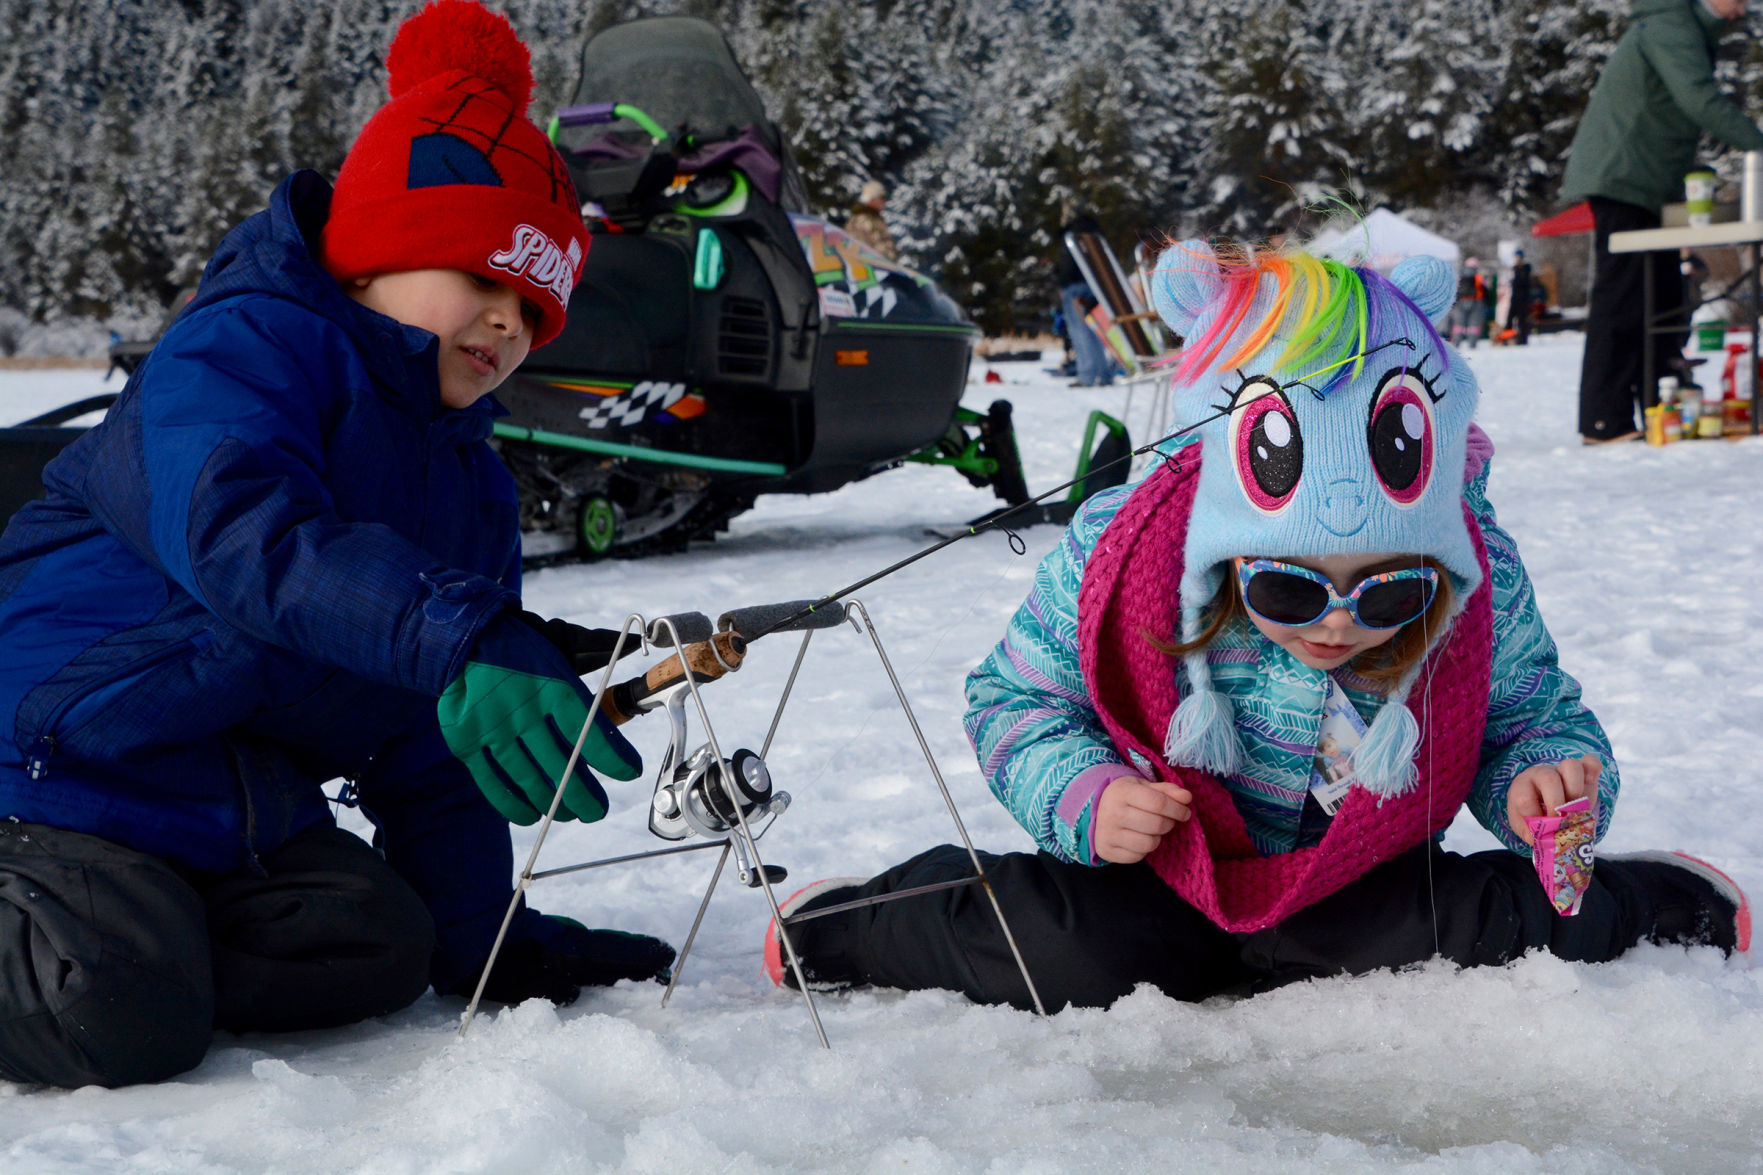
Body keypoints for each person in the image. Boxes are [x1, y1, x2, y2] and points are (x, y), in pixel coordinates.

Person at [762, 243, 1750, 1012]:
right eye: (1285, 591)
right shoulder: (1129, 553)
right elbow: (1013, 697)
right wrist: (1082, 791)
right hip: (1159, 880)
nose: (1334, 624)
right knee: (1051, 945)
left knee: (1494, 923)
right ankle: (847, 922)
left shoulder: (1471, 566)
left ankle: (1654, 898)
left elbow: (1530, 719)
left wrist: (1544, 787)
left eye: (1385, 595)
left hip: (1356, 880)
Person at [0, 0, 675, 1090]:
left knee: (382, 941)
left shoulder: (466, 479)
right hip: (49, 766)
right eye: (480, 277)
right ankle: (116, 955)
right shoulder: (242, 349)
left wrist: (485, 938)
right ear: (371, 256)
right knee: (112, 1008)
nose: (507, 321)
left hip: (221, 807)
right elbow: (244, 534)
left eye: (532, 304)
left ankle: (149, 938)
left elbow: (427, 736)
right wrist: (460, 631)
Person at [1561, 0, 1763, 444]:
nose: (1745, 8)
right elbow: (1698, 99)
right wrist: (1757, 144)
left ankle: (1661, 407)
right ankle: (1604, 420)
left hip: (1652, 184)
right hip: (1623, 177)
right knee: (1624, 295)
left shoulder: (1687, 27)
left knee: (1664, 296)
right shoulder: (1671, 24)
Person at [1055, 203, 1117, 387]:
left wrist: (1061, 283)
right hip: (1094, 285)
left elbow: (1067, 265)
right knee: (1094, 330)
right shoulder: (1094, 233)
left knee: (1079, 331)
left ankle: (1087, 375)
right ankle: (1102, 374)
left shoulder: (1072, 235)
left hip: (1074, 286)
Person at [843, 180, 900, 263]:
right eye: (881, 198)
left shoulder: (874, 219)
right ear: (872, 199)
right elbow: (865, 247)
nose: (883, 202)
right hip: (871, 268)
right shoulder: (862, 220)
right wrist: (889, 256)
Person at [1507, 248, 1533, 345]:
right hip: (1514, 298)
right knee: (1509, 319)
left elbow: (1524, 282)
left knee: (1522, 320)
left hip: (1523, 298)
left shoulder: (1525, 268)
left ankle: (1522, 340)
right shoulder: (1514, 269)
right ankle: (1508, 338)